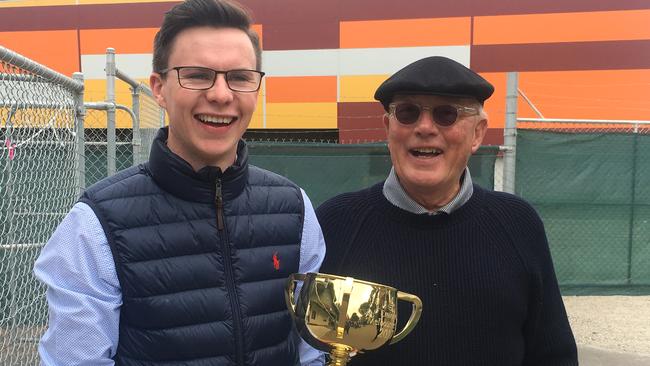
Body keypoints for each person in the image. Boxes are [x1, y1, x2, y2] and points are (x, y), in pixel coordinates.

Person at [33, 0, 325, 365]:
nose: (221, 95)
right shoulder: (96, 226)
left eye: (240, 77)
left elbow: (311, 352)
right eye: (198, 74)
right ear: (159, 88)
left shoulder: (295, 209)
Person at [316, 56, 578, 365]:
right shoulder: (337, 223)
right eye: (408, 113)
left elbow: (553, 354)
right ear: (388, 127)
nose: (425, 127)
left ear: (478, 133)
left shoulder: (518, 224)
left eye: (446, 114)